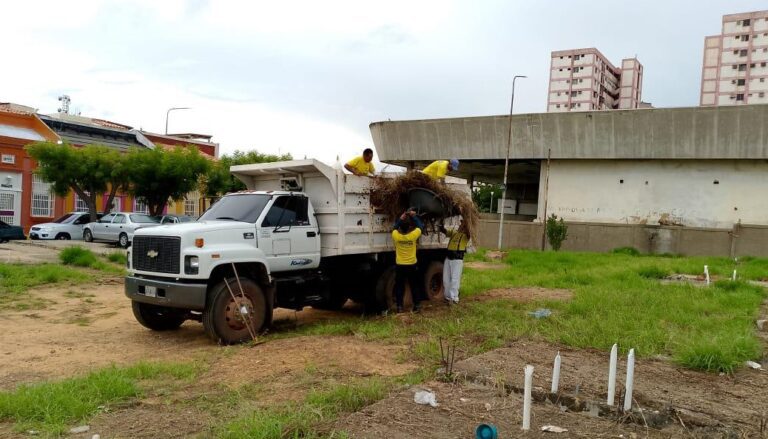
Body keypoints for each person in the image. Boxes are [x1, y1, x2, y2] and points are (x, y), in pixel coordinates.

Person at [391, 209, 425, 313]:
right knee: (414, 286)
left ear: (400, 229)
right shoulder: (412, 236)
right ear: (409, 228)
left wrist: (401, 219)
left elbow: (394, 227)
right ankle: (417, 306)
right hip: (411, 265)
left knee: (400, 287)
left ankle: (400, 307)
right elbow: (420, 227)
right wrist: (414, 216)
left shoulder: (396, 236)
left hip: (400, 266)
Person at [440, 219, 469, 305]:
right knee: (446, 278)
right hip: (448, 258)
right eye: (460, 224)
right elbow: (445, 231)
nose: (460, 225)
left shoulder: (466, 235)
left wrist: (466, 223)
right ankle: (448, 297)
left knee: (455, 279)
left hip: (457, 259)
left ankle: (454, 298)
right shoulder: (454, 233)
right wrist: (441, 226)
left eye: (462, 224)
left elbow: (470, 230)